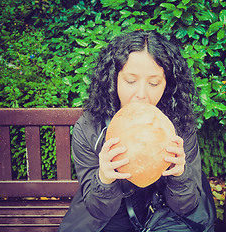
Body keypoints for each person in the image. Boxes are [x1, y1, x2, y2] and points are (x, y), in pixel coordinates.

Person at [59, 30, 216, 232]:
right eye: (130, 81)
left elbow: (187, 206)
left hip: (164, 216)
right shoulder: (89, 128)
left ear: (167, 84)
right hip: (109, 220)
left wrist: (180, 176)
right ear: (114, 80)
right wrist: (104, 179)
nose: (141, 95)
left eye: (153, 83)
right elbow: (97, 210)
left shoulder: (178, 126)